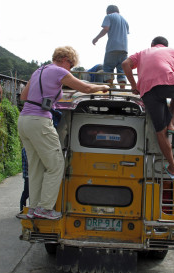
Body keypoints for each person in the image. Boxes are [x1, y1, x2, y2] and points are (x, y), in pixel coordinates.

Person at [18, 46, 109, 220]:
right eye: (72, 65)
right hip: (39, 121)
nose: (71, 69)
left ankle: (33, 208)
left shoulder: (39, 70)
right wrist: (103, 86)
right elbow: (87, 89)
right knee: (56, 165)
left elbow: (24, 96)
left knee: (36, 168)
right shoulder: (59, 71)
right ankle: (45, 209)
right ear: (66, 59)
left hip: (24, 120)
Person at [121, 36, 174, 177]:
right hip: (169, 85)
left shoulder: (142, 53)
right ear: (166, 45)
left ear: (152, 44)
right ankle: (171, 123)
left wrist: (134, 86)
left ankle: (173, 167)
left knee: (160, 131)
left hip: (148, 89)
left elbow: (125, 64)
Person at [91, 5, 130, 87]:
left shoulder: (109, 16)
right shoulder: (125, 21)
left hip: (112, 48)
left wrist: (96, 38)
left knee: (108, 68)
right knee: (121, 71)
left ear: (108, 11)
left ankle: (111, 89)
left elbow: (105, 29)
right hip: (124, 49)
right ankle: (122, 91)